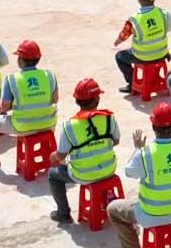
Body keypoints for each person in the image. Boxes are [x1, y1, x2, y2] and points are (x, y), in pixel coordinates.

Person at [106, 100, 171, 248]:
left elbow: (129, 172)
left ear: (154, 127)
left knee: (113, 209)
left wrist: (138, 149)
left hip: (152, 214)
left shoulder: (146, 153)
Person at [0, 39, 58, 168]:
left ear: (21, 60)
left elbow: (4, 107)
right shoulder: (49, 76)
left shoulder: (13, 79)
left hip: (22, 126)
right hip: (48, 124)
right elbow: (55, 99)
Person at [48, 78, 121, 224]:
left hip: (83, 174)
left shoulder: (70, 126)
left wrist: (53, 157)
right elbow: (116, 141)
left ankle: (63, 213)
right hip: (109, 169)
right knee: (99, 167)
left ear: (77, 101)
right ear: (97, 99)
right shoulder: (108, 119)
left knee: (53, 174)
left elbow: (61, 155)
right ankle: (106, 197)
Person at [113, 0, 171, 94]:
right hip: (162, 54)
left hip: (143, 56)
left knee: (119, 57)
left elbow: (124, 34)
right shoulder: (164, 14)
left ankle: (132, 83)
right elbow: (168, 29)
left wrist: (117, 41)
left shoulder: (135, 19)